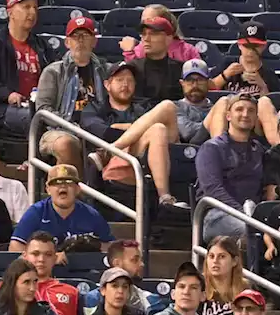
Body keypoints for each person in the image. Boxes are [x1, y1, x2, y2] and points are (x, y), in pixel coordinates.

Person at [77, 61, 173, 200]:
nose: (125, 84)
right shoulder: (95, 109)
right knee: (156, 126)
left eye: (130, 80)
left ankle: (164, 198)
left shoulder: (145, 107)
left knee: (162, 120)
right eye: (119, 80)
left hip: (143, 160)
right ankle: (164, 195)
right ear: (107, 85)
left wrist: (123, 128)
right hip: (110, 169)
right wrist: (138, 130)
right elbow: (103, 133)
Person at [0, 0, 52, 137]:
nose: (32, 12)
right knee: (38, 122)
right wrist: (8, 94)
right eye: (26, 7)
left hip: (38, 106)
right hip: (2, 108)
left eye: (35, 8)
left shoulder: (42, 46)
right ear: (10, 12)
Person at [35, 16, 108, 167]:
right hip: (60, 129)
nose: (80, 40)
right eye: (75, 36)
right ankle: (79, 190)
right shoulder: (53, 71)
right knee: (65, 144)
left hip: (97, 130)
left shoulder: (105, 70)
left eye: (85, 35)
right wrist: (71, 126)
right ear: (67, 42)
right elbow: (43, 109)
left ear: (94, 41)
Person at [195, 94, 268, 242]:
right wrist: (244, 214)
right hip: (217, 215)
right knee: (252, 232)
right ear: (228, 115)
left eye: (251, 111)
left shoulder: (259, 150)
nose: (245, 114)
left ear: (255, 118)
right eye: (239, 109)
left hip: (251, 214)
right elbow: (213, 190)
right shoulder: (211, 148)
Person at [10, 165, 114, 253]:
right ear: (48, 189)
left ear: (77, 189)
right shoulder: (36, 212)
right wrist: (49, 257)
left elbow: (111, 247)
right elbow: (15, 247)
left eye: (69, 182)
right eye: (57, 183)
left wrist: (95, 246)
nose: (63, 186)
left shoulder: (91, 215)